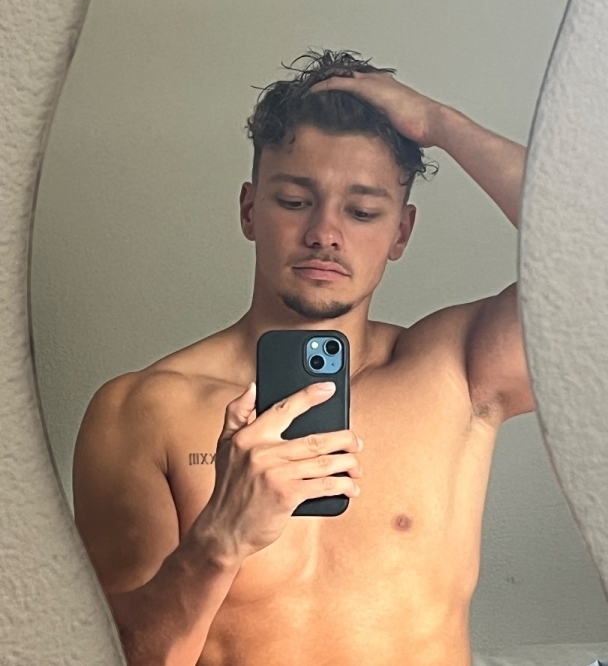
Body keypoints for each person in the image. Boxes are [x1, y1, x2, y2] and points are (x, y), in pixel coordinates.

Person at [72, 50, 533, 666]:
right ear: (249, 210)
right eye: (294, 201)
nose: (325, 233)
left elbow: (590, 250)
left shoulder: (458, 369)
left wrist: (441, 124)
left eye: (362, 211)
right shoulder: (143, 411)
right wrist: (219, 541)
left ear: (401, 232)